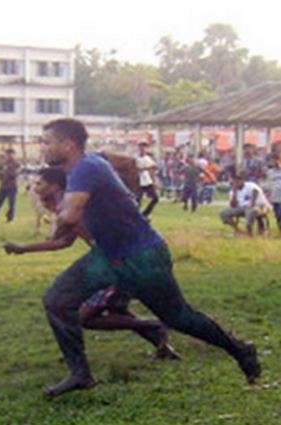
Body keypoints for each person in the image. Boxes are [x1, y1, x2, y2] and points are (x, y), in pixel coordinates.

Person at [37, 118, 260, 400]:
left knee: (178, 317)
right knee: (57, 300)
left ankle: (240, 349)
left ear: (68, 144)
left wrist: (56, 221)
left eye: (46, 142)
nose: (41, 147)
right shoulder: (87, 166)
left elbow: (69, 216)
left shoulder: (86, 168)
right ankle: (81, 373)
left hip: (141, 256)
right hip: (109, 255)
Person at [4, 167, 180, 360]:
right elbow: (63, 242)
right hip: (117, 260)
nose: (35, 188)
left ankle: (156, 325)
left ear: (54, 186)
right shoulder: (67, 205)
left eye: (40, 184)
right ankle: (163, 347)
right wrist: (23, 249)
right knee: (116, 311)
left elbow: (64, 237)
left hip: (119, 261)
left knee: (85, 317)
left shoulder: (74, 205)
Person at [220, 172, 272, 236]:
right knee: (224, 214)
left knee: (250, 212)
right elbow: (233, 205)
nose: (236, 183)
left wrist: (252, 203)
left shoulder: (250, 185)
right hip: (242, 208)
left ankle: (249, 230)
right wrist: (234, 193)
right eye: (234, 182)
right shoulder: (232, 192)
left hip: (259, 205)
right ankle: (238, 230)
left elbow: (255, 192)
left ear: (242, 181)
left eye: (238, 181)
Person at [0, 149, 21, 223]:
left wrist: (6, 173)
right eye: (7, 154)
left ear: (13, 155)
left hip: (12, 186)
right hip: (3, 186)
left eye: (10, 154)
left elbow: (15, 174)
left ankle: (10, 218)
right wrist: (1, 175)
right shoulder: (3, 163)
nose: (8, 156)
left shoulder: (16, 164)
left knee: (11, 203)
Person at [135, 141, 159, 217]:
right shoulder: (135, 158)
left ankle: (145, 213)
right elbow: (136, 169)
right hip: (138, 181)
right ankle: (137, 215)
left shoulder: (147, 158)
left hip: (147, 180)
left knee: (155, 198)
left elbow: (155, 167)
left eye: (144, 147)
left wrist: (154, 180)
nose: (143, 149)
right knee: (138, 200)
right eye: (141, 147)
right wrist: (147, 168)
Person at [265, 154, 281, 236]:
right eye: (274, 160)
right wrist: (267, 194)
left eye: (277, 160)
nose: (276, 162)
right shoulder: (270, 172)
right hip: (275, 196)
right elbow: (268, 184)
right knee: (278, 215)